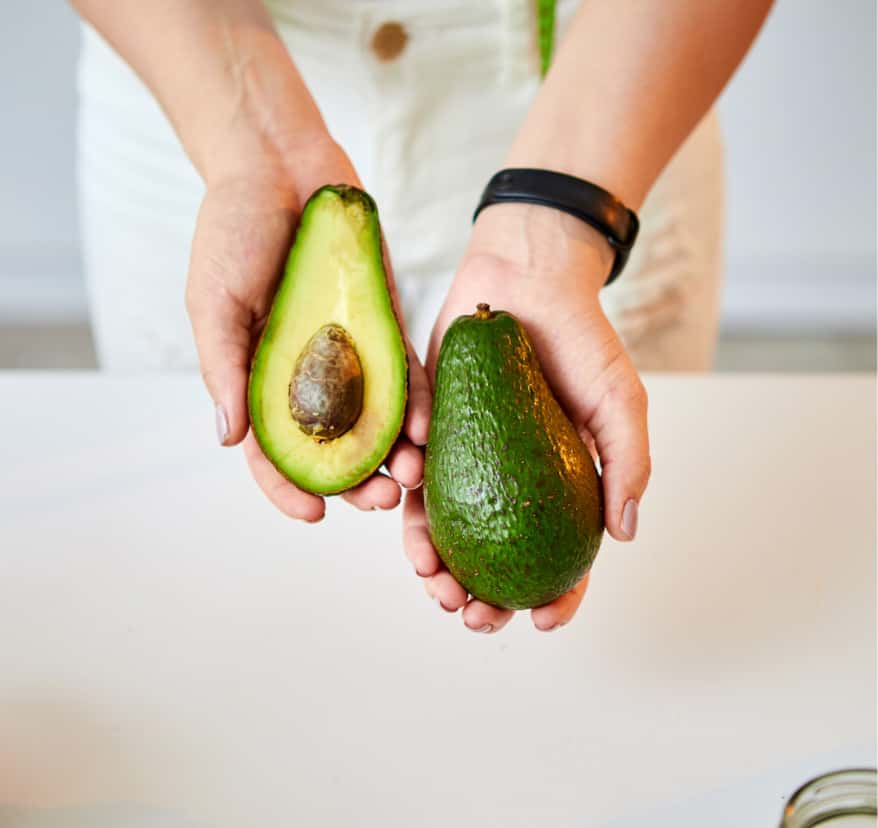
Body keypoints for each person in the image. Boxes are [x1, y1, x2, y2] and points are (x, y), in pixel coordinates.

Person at [70, 0, 773, 633]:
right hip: (201, 81)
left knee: (648, 615)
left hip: (612, 99)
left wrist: (557, 224)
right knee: (199, 577)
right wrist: (256, 150)